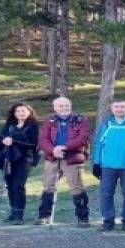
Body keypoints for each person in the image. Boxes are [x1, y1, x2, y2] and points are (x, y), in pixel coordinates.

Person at [37, 97, 92, 227]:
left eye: (67, 105)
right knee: (48, 186)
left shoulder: (80, 120)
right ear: (55, 108)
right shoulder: (50, 120)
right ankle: (44, 216)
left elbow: (83, 138)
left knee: (76, 186)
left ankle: (83, 218)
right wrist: (52, 150)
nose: (64, 108)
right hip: (53, 157)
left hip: (72, 157)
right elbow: (43, 139)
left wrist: (65, 147)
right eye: (60, 106)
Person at [92, 100, 125, 232]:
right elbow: (98, 144)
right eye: (116, 107)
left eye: (122, 107)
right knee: (106, 194)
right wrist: (96, 163)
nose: (119, 109)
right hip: (108, 166)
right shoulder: (107, 124)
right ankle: (108, 221)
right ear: (112, 109)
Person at [0, 103, 40, 224]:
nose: (21, 113)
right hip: (9, 158)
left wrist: (14, 141)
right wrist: (4, 140)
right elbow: (0, 138)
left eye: (24, 110)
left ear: (29, 112)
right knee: (9, 185)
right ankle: (13, 211)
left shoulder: (33, 126)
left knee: (18, 185)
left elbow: (34, 144)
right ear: (14, 113)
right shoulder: (9, 125)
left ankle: (19, 214)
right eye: (18, 111)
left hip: (25, 159)